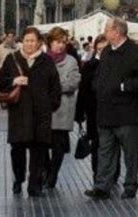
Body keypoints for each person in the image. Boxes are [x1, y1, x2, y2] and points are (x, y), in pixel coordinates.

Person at [84, 17, 138, 200]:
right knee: (105, 151)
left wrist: (123, 86)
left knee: (130, 153)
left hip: (126, 114)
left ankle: (130, 185)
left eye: (107, 30)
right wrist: (97, 86)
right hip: (105, 113)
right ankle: (102, 187)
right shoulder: (106, 52)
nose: (105, 33)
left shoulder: (137, 52)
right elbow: (98, 75)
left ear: (117, 32)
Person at [0, 27, 61, 197]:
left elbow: (55, 88)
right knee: (17, 150)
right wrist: (14, 80)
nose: (30, 44)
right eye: (27, 40)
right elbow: (1, 82)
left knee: (39, 152)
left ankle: (35, 185)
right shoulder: (12, 59)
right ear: (22, 42)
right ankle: (18, 179)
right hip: (19, 114)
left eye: (33, 41)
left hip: (41, 116)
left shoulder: (46, 61)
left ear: (39, 42)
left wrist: (49, 105)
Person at [75, 35, 121, 183]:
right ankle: (97, 175)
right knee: (96, 145)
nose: (102, 51)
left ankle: (113, 175)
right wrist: (79, 113)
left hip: (113, 112)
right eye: (99, 49)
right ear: (95, 49)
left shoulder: (117, 65)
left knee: (113, 145)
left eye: (105, 48)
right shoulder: (89, 66)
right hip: (93, 112)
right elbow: (83, 91)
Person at [43, 27, 81, 189]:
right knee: (42, 146)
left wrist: (53, 86)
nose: (61, 45)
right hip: (44, 111)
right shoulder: (42, 60)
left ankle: (52, 175)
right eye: (58, 42)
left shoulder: (71, 61)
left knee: (58, 148)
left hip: (62, 111)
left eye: (64, 42)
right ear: (50, 42)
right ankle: (45, 172)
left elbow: (73, 82)